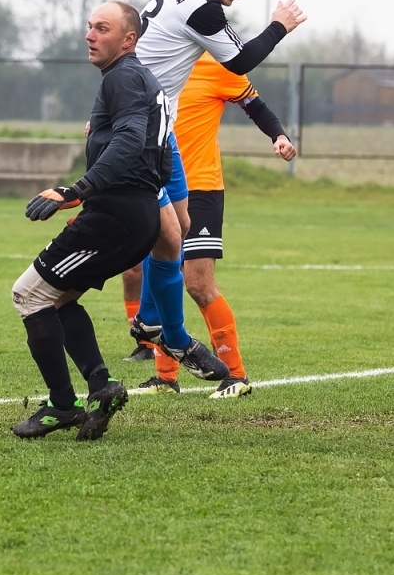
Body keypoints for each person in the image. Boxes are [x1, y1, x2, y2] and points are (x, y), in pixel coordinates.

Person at [106, 0, 305, 383]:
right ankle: (163, 338)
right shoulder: (203, 13)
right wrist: (279, 26)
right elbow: (242, 60)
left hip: (158, 139)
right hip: (141, 131)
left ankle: (163, 334)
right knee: (159, 247)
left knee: (173, 245)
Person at [10, 2, 166, 440]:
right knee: (58, 302)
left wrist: (75, 191)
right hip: (131, 214)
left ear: (128, 39)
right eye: (89, 26)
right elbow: (160, 153)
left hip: (114, 218)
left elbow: (133, 141)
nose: (90, 35)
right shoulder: (137, 80)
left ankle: (63, 404)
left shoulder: (123, 77)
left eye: (102, 28)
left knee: (29, 295)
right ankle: (102, 387)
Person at [127, 52, 297, 399]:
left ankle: (235, 375)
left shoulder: (218, 63)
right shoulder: (158, 60)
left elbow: (256, 105)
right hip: (159, 186)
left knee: (197, 282)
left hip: (201, 187)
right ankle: (165, 377)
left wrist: (278, 135)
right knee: (159, 276)